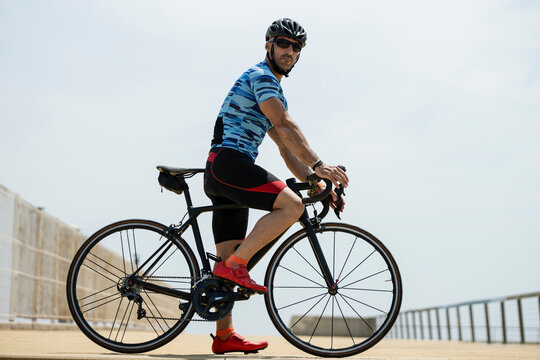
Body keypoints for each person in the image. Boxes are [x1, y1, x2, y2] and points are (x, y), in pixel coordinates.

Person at [204, 18, 349, 355]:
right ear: (268, 45)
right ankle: (235, 266)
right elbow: (284, 125)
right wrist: (319, 166)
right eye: (284, 43)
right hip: (229, 163)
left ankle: (224, 337)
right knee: (291, 206)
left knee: (227, 269)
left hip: (226, 172)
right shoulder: (262, 77)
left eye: (296, 47)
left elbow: (284, 145)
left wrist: (317, 183)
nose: (290, 51)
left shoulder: (271, 87)